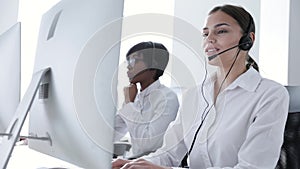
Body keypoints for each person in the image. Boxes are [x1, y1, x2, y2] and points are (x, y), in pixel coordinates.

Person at [112, 4, 289, 169]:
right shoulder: (194, 95)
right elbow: (168, 153)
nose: (209, 39)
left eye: (221, 31)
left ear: (247, 40)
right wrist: (133, 164)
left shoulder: (270, 95)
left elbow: (252, 167)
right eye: (205, 34)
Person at [114, 41, 179, 158]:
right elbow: (112, 133)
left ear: (153, 65)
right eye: (128, 61)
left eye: (134, 60)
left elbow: (147, 144)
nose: (129, 66)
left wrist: (129, 103)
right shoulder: (137, 97)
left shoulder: (167, 98)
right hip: (131, 161)